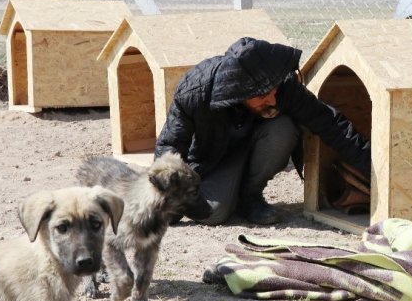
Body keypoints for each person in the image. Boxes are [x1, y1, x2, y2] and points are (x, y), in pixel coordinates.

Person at [154, 36, 371, 226]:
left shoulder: (282, 85)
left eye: (273, 91)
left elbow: (329, 122)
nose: (272, 99)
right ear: (239, 91)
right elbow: (170, 145)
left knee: (283, 128)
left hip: (261, 148)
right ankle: (229, 195)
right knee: (213, 214)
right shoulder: (196, 91)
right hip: (215, 159)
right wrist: (168, 198)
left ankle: (250, 197)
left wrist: (373, 172)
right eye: (262, 95)